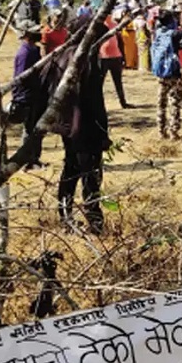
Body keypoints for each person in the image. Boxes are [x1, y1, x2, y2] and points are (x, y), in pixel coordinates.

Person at [52, 38, 110, 235]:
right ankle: (94, 221)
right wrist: (103, 132)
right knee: (90, 175)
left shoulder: (62, 54)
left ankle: (65, 216)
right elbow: (94, 99)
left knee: (70, 169)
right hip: (86, 126)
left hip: (67, 125)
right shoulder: (87, 58)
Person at [11, 21, 45, 170]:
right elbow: (21, 78)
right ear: (26, 35)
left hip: (36, 95)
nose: (39, 34)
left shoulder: (34, 50)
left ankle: (34, 158)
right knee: (30, 129)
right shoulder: (24, 53)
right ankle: (27, 160)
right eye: (34, 32)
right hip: (27, 97)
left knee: (36, 128)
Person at [151, 10, 182, 140]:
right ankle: (173, 133)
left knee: (161, 102)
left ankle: (161, 131)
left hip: (160, 73)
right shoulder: (175, 33)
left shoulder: (158, 33)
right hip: (174, 73)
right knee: (174, 103)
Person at [99, 15, 131, 108]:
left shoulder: (115, 24)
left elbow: (120, 41)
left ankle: (123, 102)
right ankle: (98, 104)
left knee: (118, 82)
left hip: (116, 56)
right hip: (103, 57)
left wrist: (123, 56)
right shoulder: (98, 25)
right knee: (99, 83)